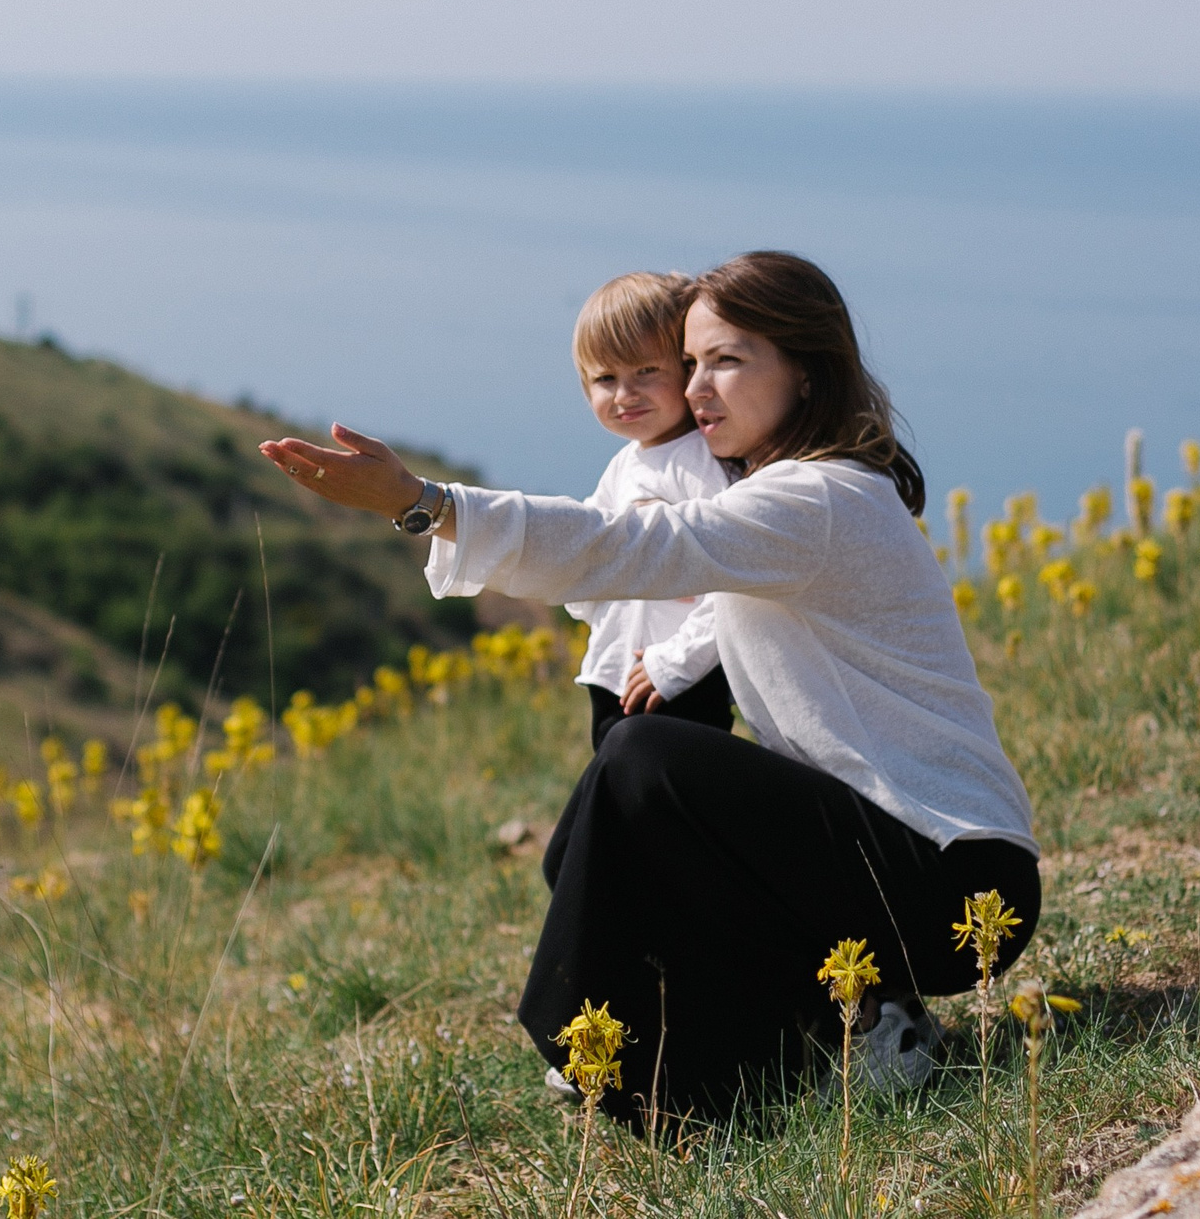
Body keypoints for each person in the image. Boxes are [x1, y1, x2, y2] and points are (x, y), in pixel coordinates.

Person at [260, 250, 1040, 1125]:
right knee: (589, 850)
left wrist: (425, 503)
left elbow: (623, 546)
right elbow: (615, 561)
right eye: (694, 362)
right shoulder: (791, 490)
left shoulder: (814, 499)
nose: (698, 387)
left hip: (956, 878)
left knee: (644, 761)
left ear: (808, 371)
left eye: (729, 360)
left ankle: (639, 1043)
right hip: (888, 856)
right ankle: (806, 1044)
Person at [563, 271, 734, 750]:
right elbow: (589, 548)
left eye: (645, 372)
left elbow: (735, 587)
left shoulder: (701, 461)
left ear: (686, 369)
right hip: (614, 670)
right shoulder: (624, 464)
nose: (624, 395)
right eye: (605, 379)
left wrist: (674, 664)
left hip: (677, 679)